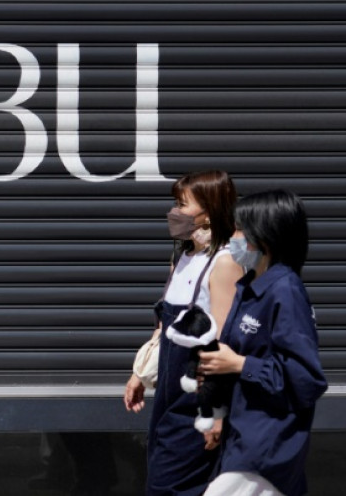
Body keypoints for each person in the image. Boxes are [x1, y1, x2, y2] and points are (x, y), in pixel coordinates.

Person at [123, 170, 244, 495]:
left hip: (195, 397)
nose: (174, 212)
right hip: (168, 393)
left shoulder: (224, 262)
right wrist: (141, 373)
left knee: (171, 485)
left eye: (182, 204)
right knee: (163, 478)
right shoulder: (183, 256)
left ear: (209, 210)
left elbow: (220, 342)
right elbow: (165, 327)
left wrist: (213, 414)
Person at [199, 189, 327, 496]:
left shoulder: (285, 291)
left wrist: (240, 363)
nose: (233, 237)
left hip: (265, 445)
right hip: (240, 438)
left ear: (265, 235)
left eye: (240, 229)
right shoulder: (248, 287)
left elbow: (306, 379)